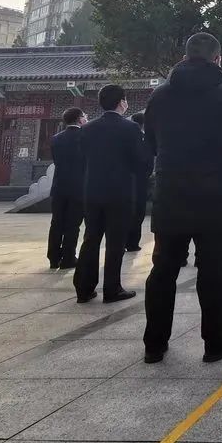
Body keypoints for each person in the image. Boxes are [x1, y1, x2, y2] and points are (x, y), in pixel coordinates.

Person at [142, 33, 222, 364]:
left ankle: (154, 344)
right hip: (214, 193)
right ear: (218, 59)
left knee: (163, 268)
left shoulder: (160, 95)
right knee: (213, 268)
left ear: (184, 56)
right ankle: (215, 342)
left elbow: (150, 142)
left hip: (170, 192)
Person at [74, 85, 148, 305]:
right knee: (115, 242)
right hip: (120, 192)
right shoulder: (130, 128)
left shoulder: (87, 128)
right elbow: (140, 162)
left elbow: (82, 159)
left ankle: (83, 289)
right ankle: (112, 289)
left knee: (91, 238)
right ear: (122, 102)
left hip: (93, 191)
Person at [47, 107, 86, 270]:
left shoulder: (56, 138)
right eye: (84, 116)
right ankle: (68, 258)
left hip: (59, 186)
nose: (86, 119)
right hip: (78, 187)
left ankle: (53, 258)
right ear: (80, 118)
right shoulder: (85, 137)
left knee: (56, 222)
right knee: (73, 224)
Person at [125, 111, 153, 253]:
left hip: (123, 180)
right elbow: (149, 161)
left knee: (124, 212)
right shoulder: (145, 139)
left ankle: (122, 240)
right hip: (140, 180)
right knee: (138, 212)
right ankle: (132, 243)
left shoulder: (124, 137)